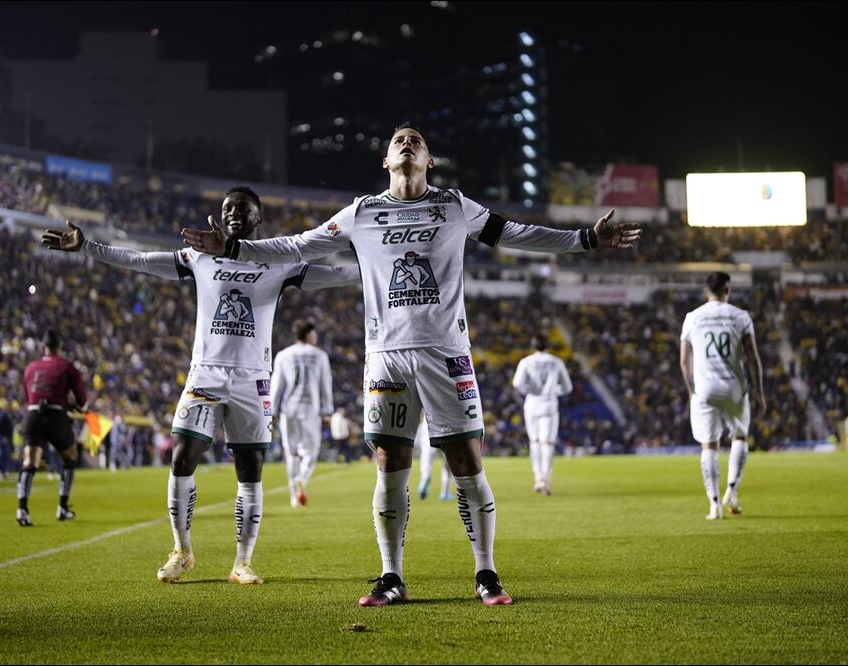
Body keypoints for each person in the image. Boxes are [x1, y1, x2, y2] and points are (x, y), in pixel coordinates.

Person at [181, 122, 641, 606]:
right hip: (386, 359)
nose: (407, 144)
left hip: (447, 355)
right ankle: (390, 576)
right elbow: (298, 245)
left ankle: (486, 572)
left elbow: (517, 234)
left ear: (429, 160)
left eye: (416, 141)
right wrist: (234, 249)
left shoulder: (453, 206)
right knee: (390, 464)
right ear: (385, 161)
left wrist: (585, 238)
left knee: (466, 461)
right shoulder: (362, 212)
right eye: (399, 141)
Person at [42, 185, 359, 585]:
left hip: (252, 379)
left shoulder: (281, 262)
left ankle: (242, 561)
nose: (234, 214)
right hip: (206, 373)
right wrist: (89, 247)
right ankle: (181, 550)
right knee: (182, 457)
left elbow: (337, 275)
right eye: (228, 208)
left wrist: (382, 261)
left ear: (258, 218)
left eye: (243, 209)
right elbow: (140, 260)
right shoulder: (200, 256)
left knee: (250, 470)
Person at [679, 272, 766, 520]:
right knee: (739, 437)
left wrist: (690, 390)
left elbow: (684, 361)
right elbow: (752, 356)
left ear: (706, 291)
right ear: (727, 289)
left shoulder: (692, 318)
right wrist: (759, 390)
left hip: (705, 388)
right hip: (735, 388)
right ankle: (732, 491)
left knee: (709, 444)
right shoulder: (740, 316)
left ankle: (714, 505)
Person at [16, 329, 88, 527]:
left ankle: (22, 509)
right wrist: (72, 404)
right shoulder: (66, 366)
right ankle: (62, 507)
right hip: (56, 415)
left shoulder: (30, 367)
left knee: (29, 461)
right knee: (70, 457)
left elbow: (28, 396)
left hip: (32, 415)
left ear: (43, 346)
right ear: (60, 346)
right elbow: (82, 399)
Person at [271, 319, 334, 508]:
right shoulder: (320, 355)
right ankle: (302, 479)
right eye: (314, 333)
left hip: (288, 409)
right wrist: (327, 410)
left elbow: (277, 384)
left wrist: (272, 410)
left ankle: (293, 497)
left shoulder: (284, 355)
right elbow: (325, 384)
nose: (316, 336)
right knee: (311, 452)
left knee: (291, 454)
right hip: (310, 409)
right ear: (308, 334)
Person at [512, 336, 573, 496]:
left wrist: (530, 391)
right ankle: (545, 479)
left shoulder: (526, 361)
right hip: (549, 405)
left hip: (531, 404)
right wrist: (554, 391)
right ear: (548, 346)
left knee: (534, 442)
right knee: (547, 443)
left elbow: (517, 384)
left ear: (533, 346)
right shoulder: (556, 362)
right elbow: (567, 387)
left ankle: (538, 477)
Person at [415, 416, 454, 501]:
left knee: (426, 458)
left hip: (428, 423)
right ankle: (445, 492)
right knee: (448, 462)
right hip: (446, 423)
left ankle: (425, 477)